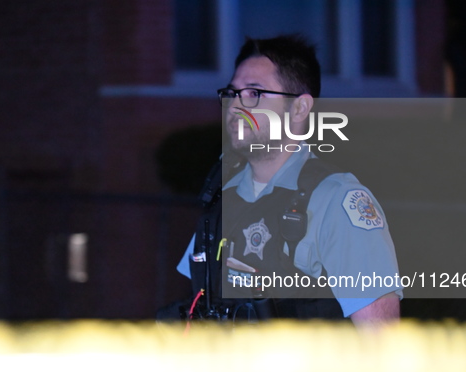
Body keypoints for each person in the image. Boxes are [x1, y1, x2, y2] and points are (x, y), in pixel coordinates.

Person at [172, 35, 401, 326]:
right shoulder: (222, 197)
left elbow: (381, 343)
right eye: (231, 93)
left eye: (254, 93)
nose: (235, 107)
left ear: (300, 109)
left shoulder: (337, 202)